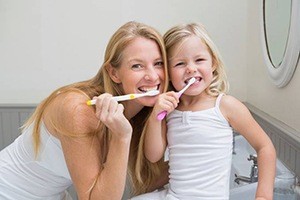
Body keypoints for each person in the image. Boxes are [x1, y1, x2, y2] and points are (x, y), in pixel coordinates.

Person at [0, 21, 169, 200]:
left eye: (158, 63)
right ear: (114, 73)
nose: (152, 76)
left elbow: (149, 181)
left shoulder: (146, 114)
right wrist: (122, 136)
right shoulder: (78, 109)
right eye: (137, 65)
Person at [132, 23, 276, 200]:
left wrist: (263, 195)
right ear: (168, 72)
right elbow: (153, 156)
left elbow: (265, 147)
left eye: (199, 60)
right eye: (180, 63)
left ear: (213, 63)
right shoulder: (169, 110)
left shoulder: (226, 106)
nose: (191, 68)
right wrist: (156, 116)